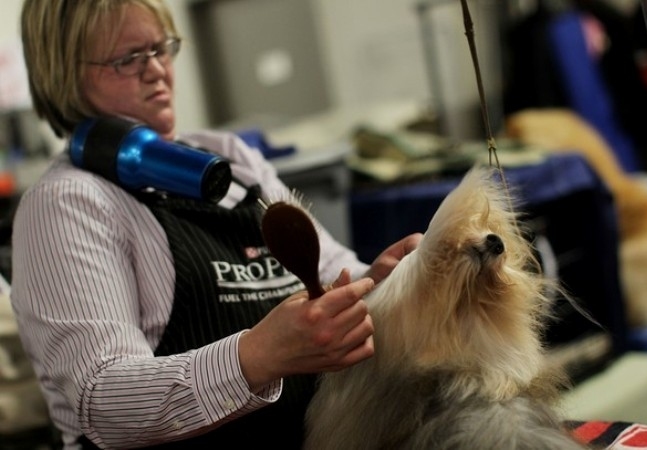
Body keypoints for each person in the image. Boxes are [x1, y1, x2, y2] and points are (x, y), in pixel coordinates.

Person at [11, 1, 422, 449]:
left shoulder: (231, 159)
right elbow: (106, 402)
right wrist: (260, 355)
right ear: (63, 75)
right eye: (127, 59)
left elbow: (331, 274)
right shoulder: (67, 204)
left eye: (161, 48)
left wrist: (376, 285)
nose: (157, 72)